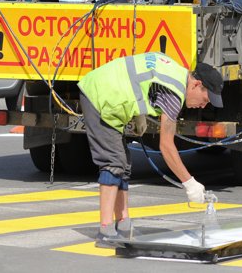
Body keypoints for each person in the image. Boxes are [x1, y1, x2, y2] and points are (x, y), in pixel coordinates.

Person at [76, 52, 224, 247]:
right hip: (99, 95)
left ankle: (124, 225)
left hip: (107, 92)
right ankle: (105, 230)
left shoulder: (176, 73)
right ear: (196, 84)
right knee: (113, 162)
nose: (204, 105)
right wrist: (189, 183)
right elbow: (166, 146)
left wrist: (139, 113)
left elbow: (142, 77)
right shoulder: (175, 94)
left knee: (124, 164)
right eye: (206, 98)